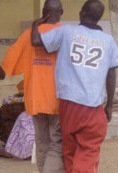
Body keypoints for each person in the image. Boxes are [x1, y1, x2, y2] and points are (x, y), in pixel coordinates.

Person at [31, 0, 118, 172]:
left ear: (81, 14)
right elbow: (111, 74)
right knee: (88, 152)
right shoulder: (108, 41)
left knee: (69, 151)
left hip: (68, 105)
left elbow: (35, 41)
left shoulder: (66, 31)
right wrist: (108, 106)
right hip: (92, 107)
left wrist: (36, 24)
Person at [0, 0, 64, 172]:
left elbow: (8, 61)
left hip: (36, 97)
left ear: (43, 12)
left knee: (42, 141)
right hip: (58, 97)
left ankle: (43, 170)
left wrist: (2, 69)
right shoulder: (64, 33)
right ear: (61, 12)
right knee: (57, 142)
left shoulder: (29, 34)